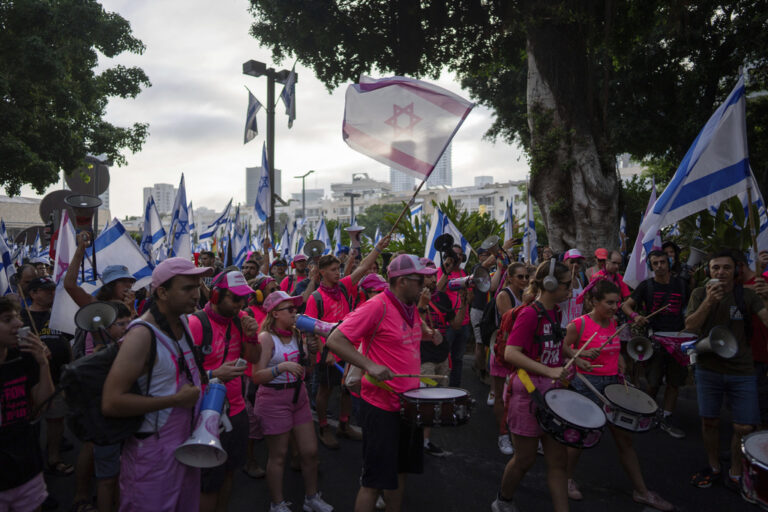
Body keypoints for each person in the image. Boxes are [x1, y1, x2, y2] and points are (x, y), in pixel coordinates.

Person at [326, 254, 439, 512]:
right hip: (381, 407)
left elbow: (398, 341)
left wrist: (428, 335)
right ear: (400, 281)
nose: (425, 284)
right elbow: (335, 340)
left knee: (399, 474)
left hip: (409, 405)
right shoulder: (377, 306)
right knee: (373, 482)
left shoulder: (409, 307)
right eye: (419, 279)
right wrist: (369, 365)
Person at [102, 257, 212, 511]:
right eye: (187, 288)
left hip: (186, 447)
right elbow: (111, 402)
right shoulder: (141, 334)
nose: (196, 294)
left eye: (197, 286)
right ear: (161, 292)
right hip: (152, 457)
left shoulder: (183, 321)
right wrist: (174, 401)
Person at [565, 280, 674, 510]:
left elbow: (613, 348)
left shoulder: (614, 323)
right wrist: (579, 357)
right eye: (609, 302)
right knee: (579, 438)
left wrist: (621, 359)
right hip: (587, 385)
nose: (615, 307)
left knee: (625, 440)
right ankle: (565, 480)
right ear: (594, 301)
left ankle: (642, 491)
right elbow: (563, 349)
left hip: (613, 386)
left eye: (617, 302)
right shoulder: (579, 324)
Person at [491, 260, 572, 512]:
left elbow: (553, 346)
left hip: (552, 393)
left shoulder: (556, 312)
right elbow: (512, 354)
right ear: (549, 284)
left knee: (557, 462)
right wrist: (549, 370)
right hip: (527, 393)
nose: (571, 288)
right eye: (567, 284)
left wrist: (575, 354)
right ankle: (503, 500)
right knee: (524, 459)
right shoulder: (529, 313)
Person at [685, 250, 768, 496]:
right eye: (715, 268)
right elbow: (690, 326)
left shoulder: (748, 295)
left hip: (742, 370)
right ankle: (713, 465)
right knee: (709, 421)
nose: (720, 272)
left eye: (726, 268)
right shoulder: (700, 293)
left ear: (736, 270)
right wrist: (709, 301)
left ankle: (734, 470)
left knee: (743, 426)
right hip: (708, 367)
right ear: (708, 271)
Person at [304, 236, 389, 449]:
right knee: (325, 390)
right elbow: (312, 328)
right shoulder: (316, 297)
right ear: (322, 272)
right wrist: (328, 352)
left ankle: (343, 425)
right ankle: (323, 427)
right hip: (328, 352)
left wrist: (378, 248)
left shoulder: (343, 286)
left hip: (348, 348)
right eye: (333, 269)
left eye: (338, 269)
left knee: (347, 390)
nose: (337, 273)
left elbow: (363, 267)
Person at [187, 269, 261, 512]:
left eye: (244, 299)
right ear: (216, 297)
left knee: (230, 473)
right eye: (235, 299)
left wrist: (251, 337)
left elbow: (253, 358)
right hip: (206, 414)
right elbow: (181, 376)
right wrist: (214, 375)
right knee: (208, 482)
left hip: (237, 411)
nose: (241, 305)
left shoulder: (241, 321)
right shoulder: (195, 324)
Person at [252, 291, 333, 512]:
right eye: (290, 309)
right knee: (278, 456)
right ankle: (277, 503)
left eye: (295, 308)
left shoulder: (298, 335)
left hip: (299, 396)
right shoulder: (266, 338)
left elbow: (307, 371)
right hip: (273, 400)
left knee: (310, 452)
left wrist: (312, 353)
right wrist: (280, 368)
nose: (295, 313)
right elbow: (257, 376)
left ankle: (311, 497)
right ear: (275, 313)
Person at [621, 249, 689, 438]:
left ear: (669, 263)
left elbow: (691, 309)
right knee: (652, 382)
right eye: (655, 263)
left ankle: (666, 416)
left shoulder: (682, 285)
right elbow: (625, 305)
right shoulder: (646, 286)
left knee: (674, 382)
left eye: (662, 262)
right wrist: (635, 317)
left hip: (679, 341)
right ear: (651, 266)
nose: (659, 266)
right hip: (655, 340)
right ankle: (648, 412)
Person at [0, 296, 55, 512]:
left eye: (17, 318)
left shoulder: (24, 357)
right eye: (7, 320)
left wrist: (43, 364)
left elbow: (44, 405)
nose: (18, 324)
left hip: (26, 464)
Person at [21, 276, 74, 478]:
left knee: (56, 422)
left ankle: (54, 459)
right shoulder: (22, 317)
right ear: (33, 294)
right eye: (46, 290)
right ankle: (33, 468)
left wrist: (69, 367)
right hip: (32, 382)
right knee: (31, 427)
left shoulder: (58, 315)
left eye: (53, 289)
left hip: (58, 379)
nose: (52, 293)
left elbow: (66, 342)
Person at [416, 257, 464, 457]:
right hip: (423, 356)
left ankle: (425, 441)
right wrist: (421, 305)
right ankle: (418, 441)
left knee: (435, 399)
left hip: (442, 355)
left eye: (433, 275)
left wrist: (463, 302)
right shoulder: (411, 298)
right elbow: (411, 324)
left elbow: (455, 325)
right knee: (424, 400)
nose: (432, 279)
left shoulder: (443, 298)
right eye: (427, 276)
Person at [489, 262, 529, 456]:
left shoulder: (525, 293)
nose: (524, 280)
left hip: (521, 354)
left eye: (526, 276)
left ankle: (522, 434)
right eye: (520, 276)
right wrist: (528, 304)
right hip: (502, 352)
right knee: (500, 396)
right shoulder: (504, 295)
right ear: (510, 277)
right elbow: (511, 321)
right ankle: (502, 434)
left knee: (525, 392)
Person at [737, 254, 768, 429]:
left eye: (728, 268)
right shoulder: (734, 287)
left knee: (761, 411)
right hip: (739, 358)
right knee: (742, 414)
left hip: (760, 357)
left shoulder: (761, 284)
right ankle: (743, 449)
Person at [437, 244, 471, 387]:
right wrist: (447, 271)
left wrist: (468, 296)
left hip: (464, 322)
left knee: (458, 359)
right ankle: (443, 390)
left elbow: (471, 298)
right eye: (454, 254)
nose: (458, 257)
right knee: (445, 358)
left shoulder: (465, 274)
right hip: (448, 323)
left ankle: (456, 390)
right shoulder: (441, 272)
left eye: (460, 254)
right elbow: (437, 291)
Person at [559, 249, 587, 328]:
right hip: (564, 327)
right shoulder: (561, 281)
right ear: (565, 263)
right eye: (572, 262)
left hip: (577, 327)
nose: (575, 265)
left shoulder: (580, 281)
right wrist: (564, 297)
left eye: (578, 262)